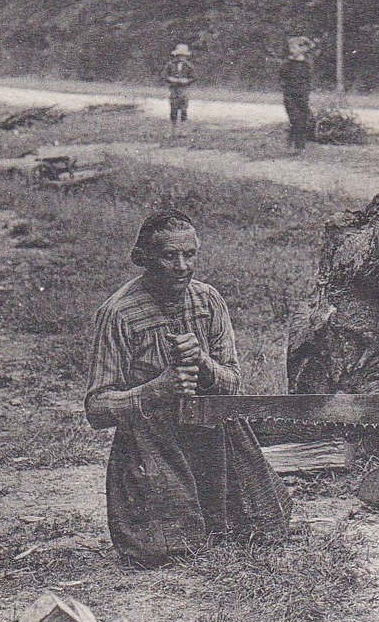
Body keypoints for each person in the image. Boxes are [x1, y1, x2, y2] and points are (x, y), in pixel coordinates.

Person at [85, 211, 290, 567]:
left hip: (213, 434)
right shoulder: (118, 314)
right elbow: (97, 409)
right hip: (153, 442)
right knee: (164, 551)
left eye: (190, 254)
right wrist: (156, 390)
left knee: (264, 528)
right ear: (144, 258)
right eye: (169, 256)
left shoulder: (209, 301)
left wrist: (205, 365)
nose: (182, 266)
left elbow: (233, 383)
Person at [278, 36, 315, 152]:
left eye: (295, 47)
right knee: (295, 119)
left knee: (302, 120)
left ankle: (299, 146)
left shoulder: (306, 64)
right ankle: (293, 144)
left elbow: (308, 80)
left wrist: (305, 92)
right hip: (290, 96)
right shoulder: (287, 64)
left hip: (302, 96)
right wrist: (287, 90)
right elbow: (282, 78)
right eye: (291, 48)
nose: (292, 50)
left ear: (303, 49)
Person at [162, 44, 195, 130]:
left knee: (183, 109)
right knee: (173, 109)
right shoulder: (170, 64)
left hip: (184, 89)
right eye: (179, 55)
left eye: (183, 56)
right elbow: (164, 75)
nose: (181, 57)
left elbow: (193, 77)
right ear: (176, 55)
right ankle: (173, 129)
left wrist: (187, 81)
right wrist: (171, 79)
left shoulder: (189, 66)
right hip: (173, 89)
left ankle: (183, 130)